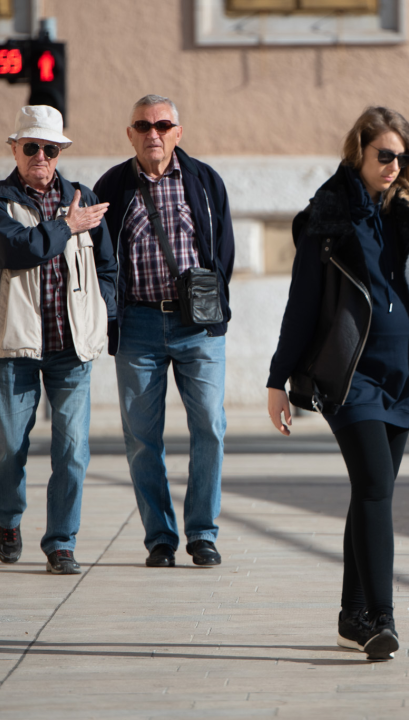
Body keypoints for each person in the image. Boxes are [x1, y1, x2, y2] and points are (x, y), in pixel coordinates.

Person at [266, 107, 409, 661]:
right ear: (359, 154)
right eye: (384, 156)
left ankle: (352, 615)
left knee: (371, 494)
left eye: (403, 157)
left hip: (405, 378)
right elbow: (301, 306)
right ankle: (383, 619)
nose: (394, 166)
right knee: (374, 489)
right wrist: (279, 380)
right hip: (350, 378)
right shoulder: (327, 219)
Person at [93, 95, 235, 569]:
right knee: (141, 438)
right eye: (143, 125)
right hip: (138, 325)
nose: (153, 132)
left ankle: (202, 534)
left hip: (198, 326)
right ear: (130, 134)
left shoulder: (204, 180)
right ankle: (160, 537)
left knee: (210, 428)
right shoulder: (111, 186)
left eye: (162, 124)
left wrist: (212, 308)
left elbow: (223, 252)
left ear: (178, 131)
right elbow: (100, 259)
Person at [0, 105, 115, 574]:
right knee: (7, 445)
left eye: (49, 148)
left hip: (71, 349)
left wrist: (101, 314)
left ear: (60, 153)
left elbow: (107, 268)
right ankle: (8, 518)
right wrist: (67, 226)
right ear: (14, 149)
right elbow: (18, 249)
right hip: (14, 348)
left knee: (73, 449)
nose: (40, 155)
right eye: (31, 146)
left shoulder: (84, 196)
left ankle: (61, 542)